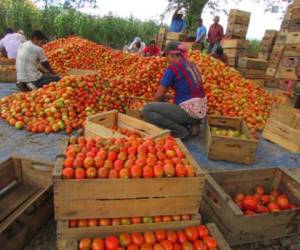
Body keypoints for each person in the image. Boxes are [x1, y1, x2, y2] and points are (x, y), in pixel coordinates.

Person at [143, 42, 207, 140]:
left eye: (166, 56)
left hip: (189, 111)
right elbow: (191, 92)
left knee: (148, 109)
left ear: (171, 54)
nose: (166, 59)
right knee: (164, 105)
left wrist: (155, 105)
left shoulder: (173, 67)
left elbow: (158, 96)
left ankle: (180, 132)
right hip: (200, 110)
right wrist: (167, 98)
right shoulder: (191, 65)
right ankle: (193, 123)